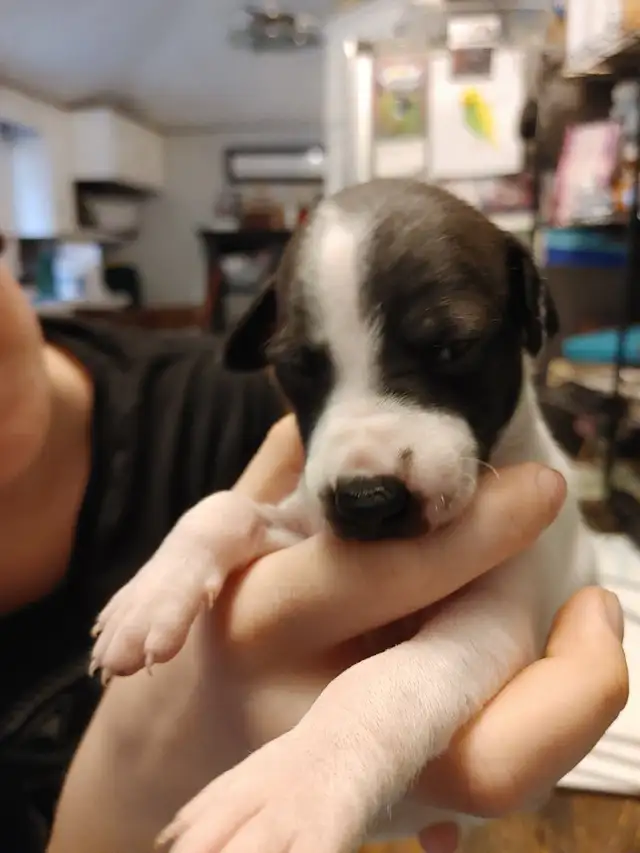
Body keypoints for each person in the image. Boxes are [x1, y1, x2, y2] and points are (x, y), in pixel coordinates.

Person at [0, 254, 627, 853]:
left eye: (447, 350)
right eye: (308, 371)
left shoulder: (213, 403)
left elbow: (491, 631)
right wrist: (127, 794)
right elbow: (282, 532)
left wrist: (348, 744)